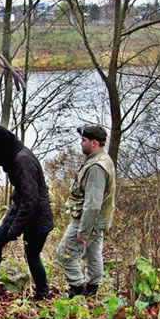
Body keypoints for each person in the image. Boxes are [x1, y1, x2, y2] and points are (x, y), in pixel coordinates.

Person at [0, 125, 54, 300]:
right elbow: (24, 198)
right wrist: (12, 223)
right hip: (22, 211)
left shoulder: (22, 160)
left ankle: (43, 293)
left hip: (37, 217)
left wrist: (15, 228)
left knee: (32, 256)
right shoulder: (14, 156)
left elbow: (30, 200)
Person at [56, 125, 116, 298]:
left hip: (87, 219)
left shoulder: (97, 166)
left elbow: (93, 203)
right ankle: (91, 290)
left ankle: (77, 289)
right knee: (93, 254)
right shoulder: (102, 159)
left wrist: (83, 231)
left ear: (94, 142)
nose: (81, 144)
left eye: (84, 140)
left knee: (64, 254)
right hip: (97, 221)